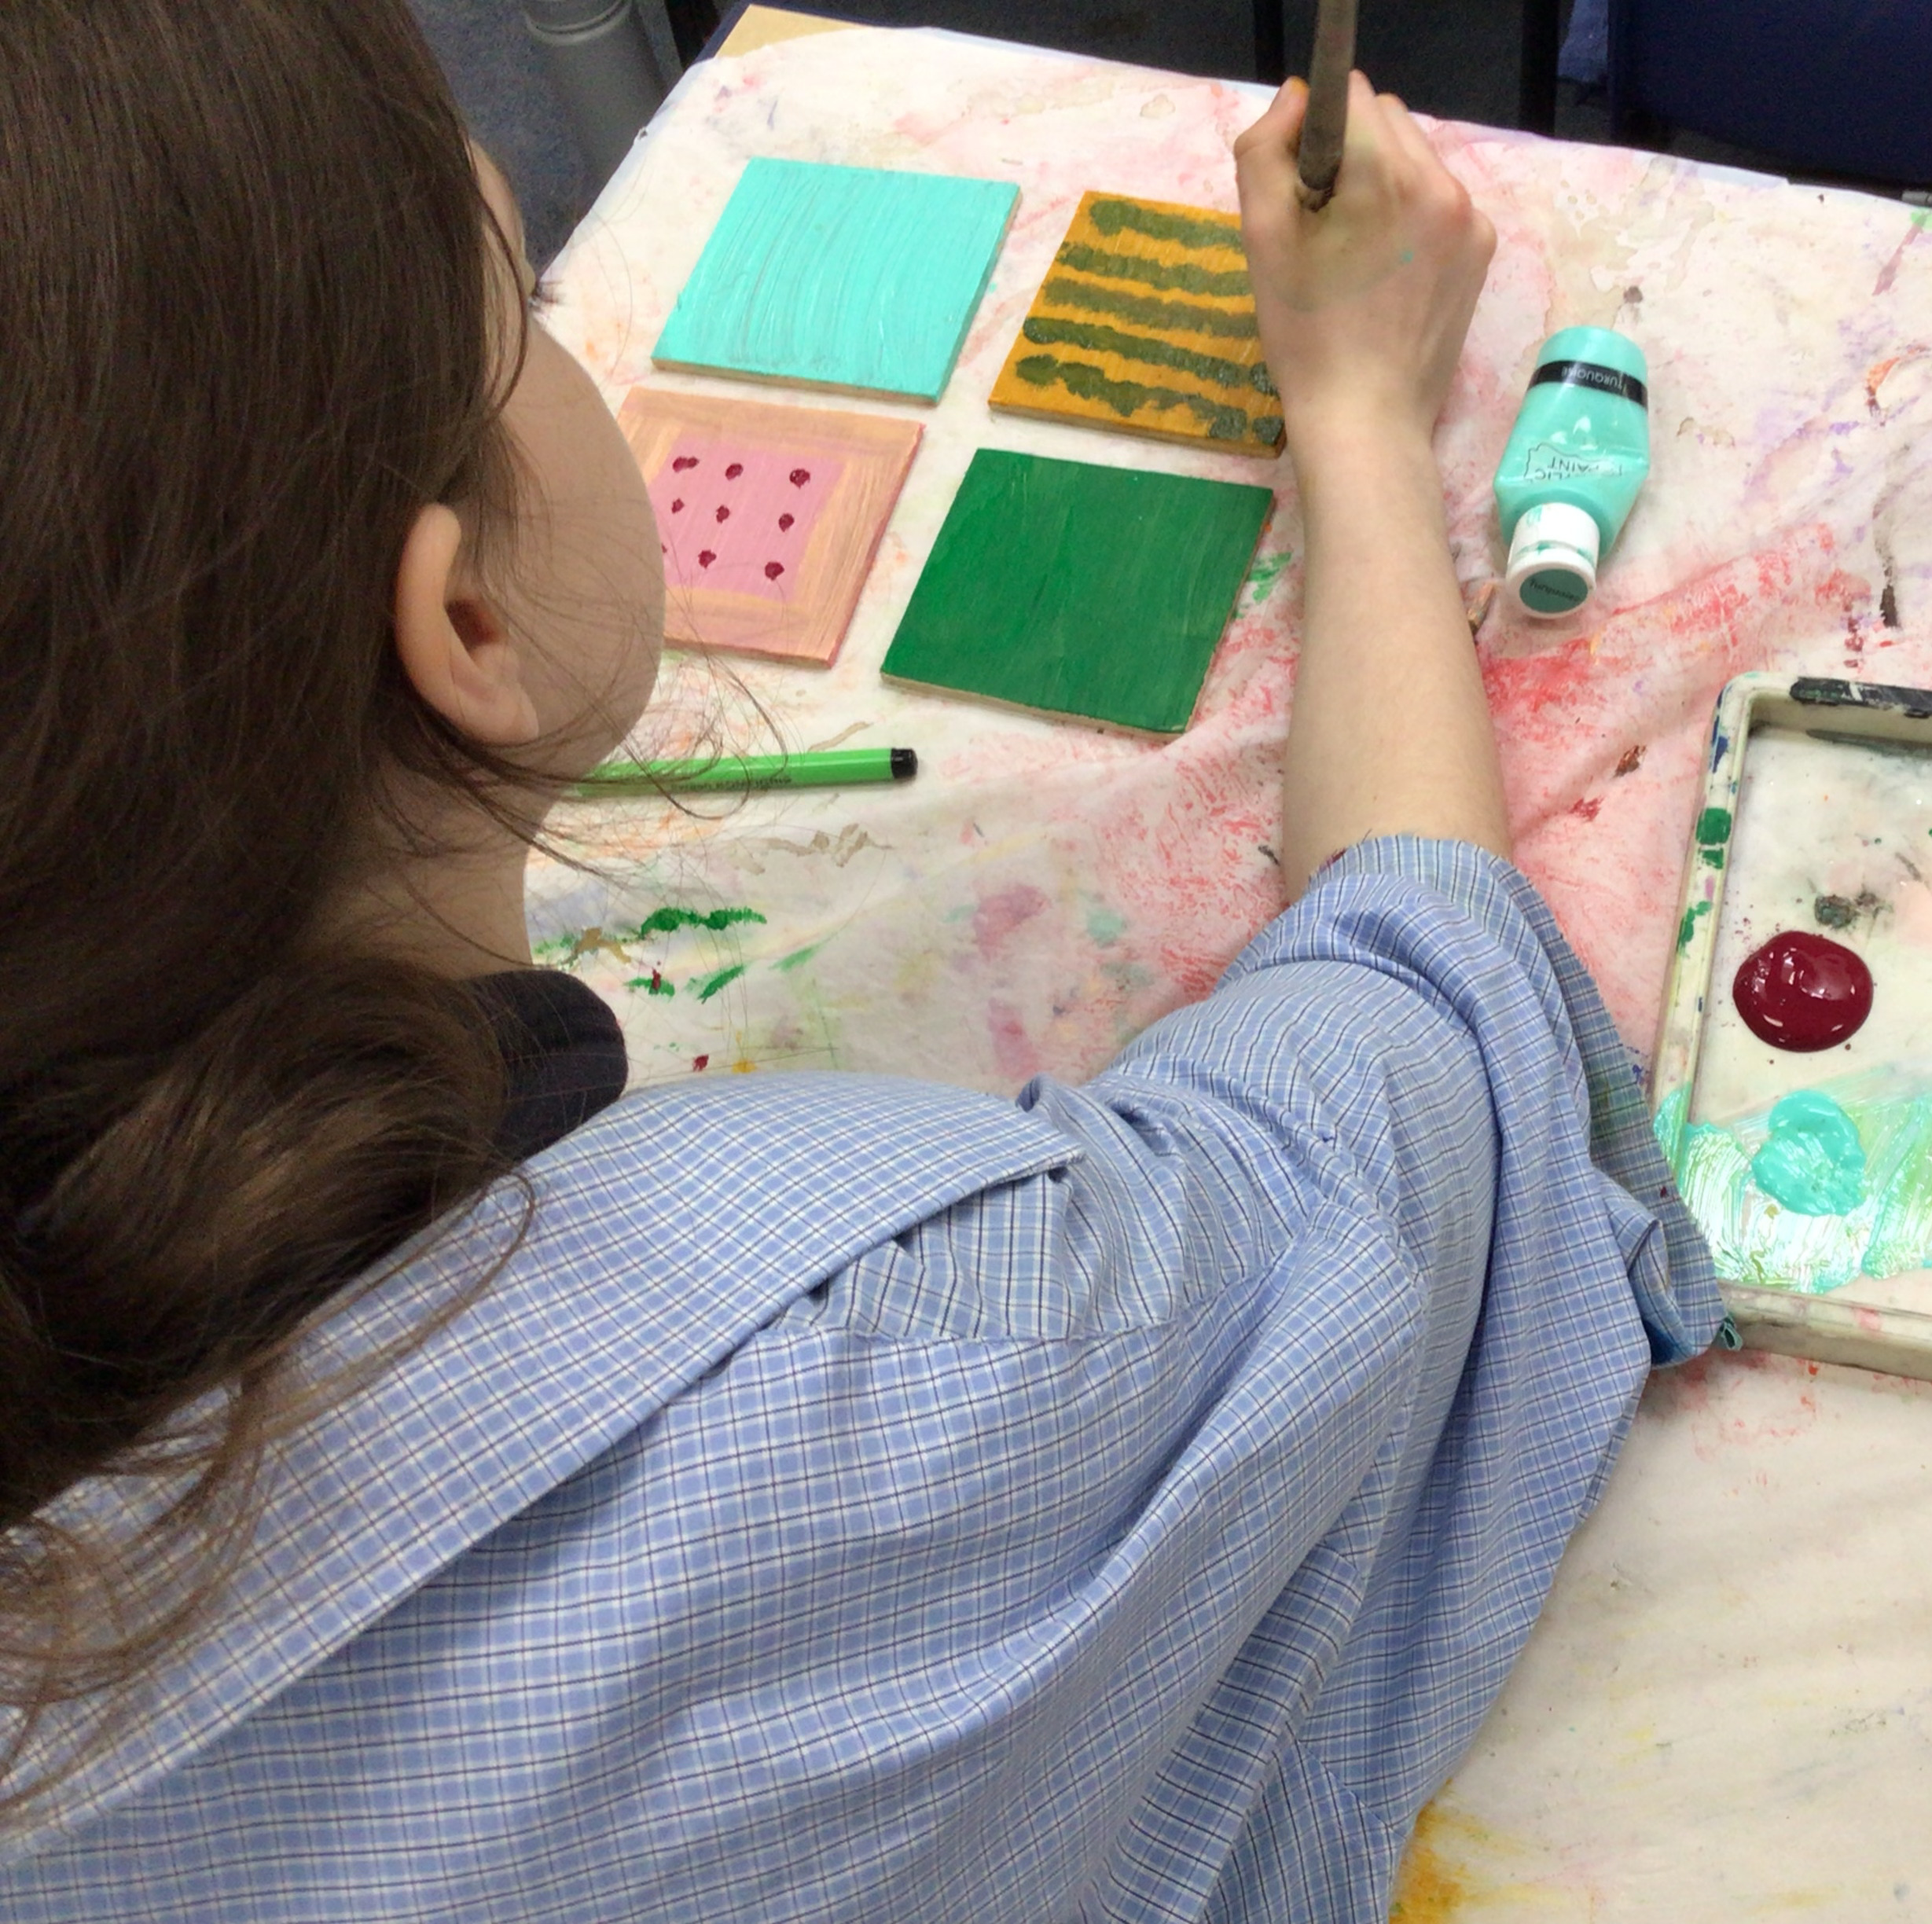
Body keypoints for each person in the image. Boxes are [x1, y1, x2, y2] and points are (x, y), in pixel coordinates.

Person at [0, 2, 1724, 1916]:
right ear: (467, 616)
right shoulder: (919, 1357)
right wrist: (1359, 412)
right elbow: (1427, 1043)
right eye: (532, 310)